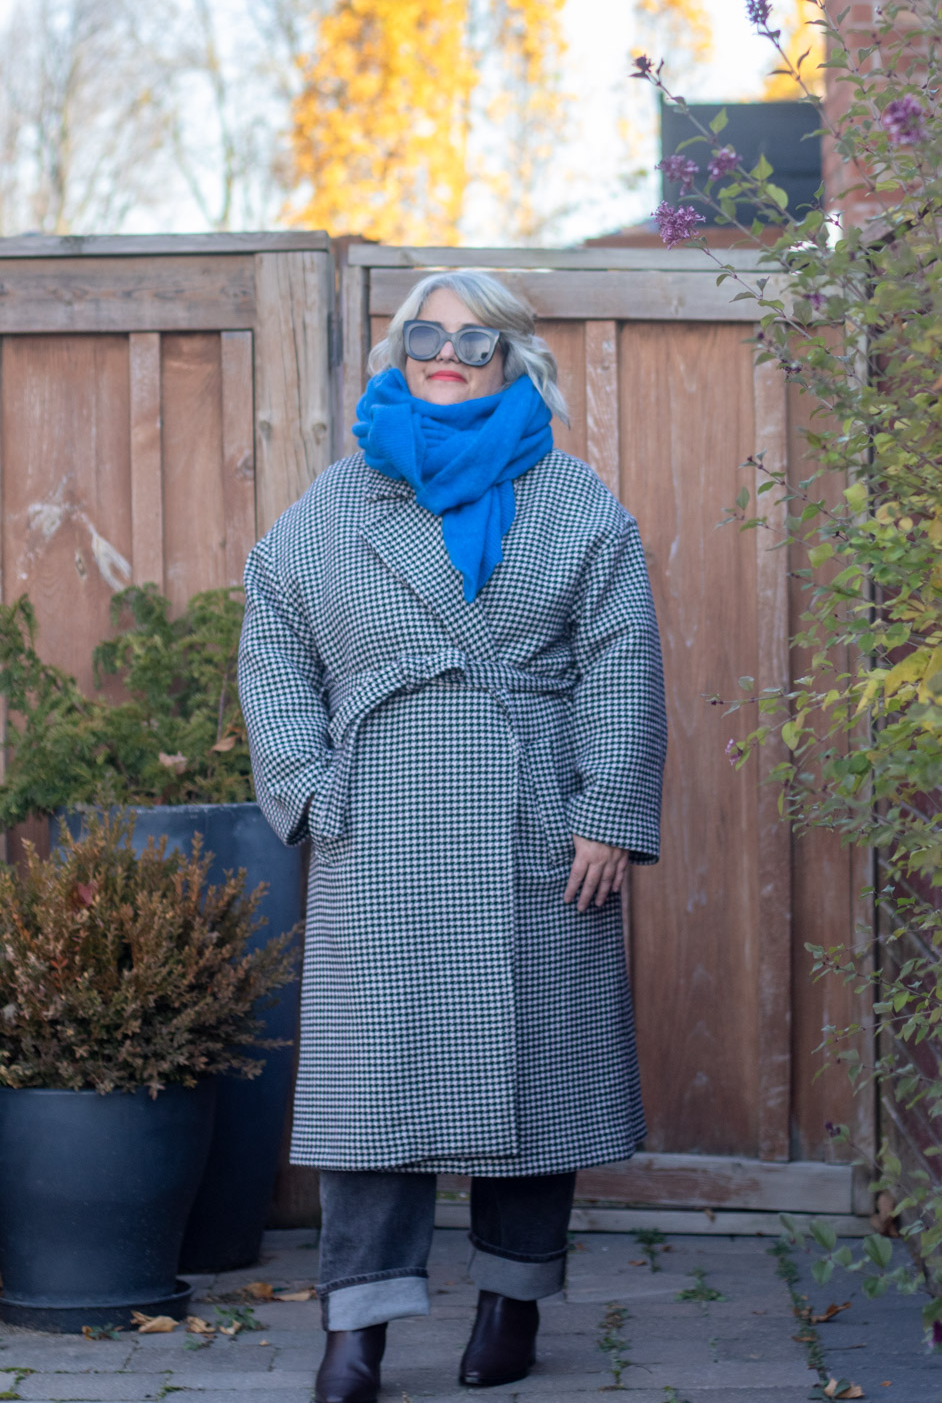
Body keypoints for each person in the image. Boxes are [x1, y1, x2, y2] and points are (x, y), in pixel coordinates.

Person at [238, 269, 667, 1403]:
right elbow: (274, 643)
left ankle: (513, 1301)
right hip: (381, 824)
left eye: (474, 341)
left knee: (538, 1085)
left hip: (537, 822)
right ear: (396, 352)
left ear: (516, 359)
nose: (446, 353)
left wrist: (608, 814)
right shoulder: (336, 504)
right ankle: (356, 1332)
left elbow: (622, 662)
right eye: (424, 333)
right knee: (373, 1094)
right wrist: (317, 795)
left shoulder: (578, 505)